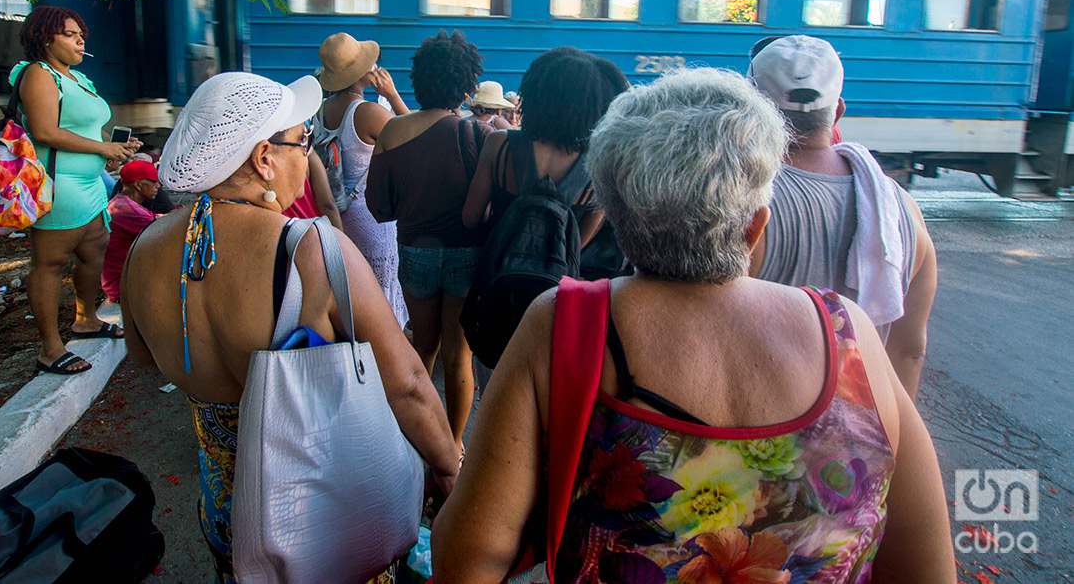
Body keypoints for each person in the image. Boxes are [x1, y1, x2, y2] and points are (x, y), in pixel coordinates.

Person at [432, 67, 955, 584]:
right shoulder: (849, 334)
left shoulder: (563, 321)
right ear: (755, 227)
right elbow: (924, 563)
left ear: (619, 216)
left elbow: (468, 559)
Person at [119, 72, 459, 584]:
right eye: (303, 141)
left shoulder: (143, 248)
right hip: (322, 516)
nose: (309, 154)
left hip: (230, 515)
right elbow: (408, 385)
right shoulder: (312, 250)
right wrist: (448, 465)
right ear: (263, 158)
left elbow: (144, 355)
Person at [747, 35, 937, 399]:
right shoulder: (901, 208)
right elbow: (908, 351)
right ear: (838, 111)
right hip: (855, 442)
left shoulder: (741, 201)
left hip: (761, 433)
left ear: (753, 107)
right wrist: (889, 441)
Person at [367, 30, 492, 453]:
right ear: (466, 83)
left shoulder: (392, 131)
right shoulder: (477, 134)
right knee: (460, 357)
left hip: (415, 253)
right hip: (467, 256)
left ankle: (418, 444)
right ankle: (454, 448)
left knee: (423, 349)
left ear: (418, 78)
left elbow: (379, 209)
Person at [12, 6, 140, 375]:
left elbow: (87, 130)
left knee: (93, 250)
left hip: (89, 184)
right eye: (70, 34)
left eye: (81, 34)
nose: (80, 40)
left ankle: (86, 319)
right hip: (59, 183)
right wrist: (102, 149)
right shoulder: (39, 74)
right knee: (50, 264)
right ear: (45, 37)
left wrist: (113, 149)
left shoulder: (81, 79)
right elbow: (45, 131)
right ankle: (50, 349)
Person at [462, 46, 628, 248]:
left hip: (495, 272)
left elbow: (470, 219)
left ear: (535, 95)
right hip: (560, 278)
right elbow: (577, 246)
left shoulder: (499, 144)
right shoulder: (598, 165)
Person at [317, 32, 411, 328]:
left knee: (350, 296)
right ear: (364, 72)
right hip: (371, 221)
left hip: (334, 219)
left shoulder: (320, 112)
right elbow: (415, 139)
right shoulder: (368, 112)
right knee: (381, 304)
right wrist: (393, 95)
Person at [100, 159, 162, 303]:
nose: (158, 186)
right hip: (123, 287)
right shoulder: (129, 210)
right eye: (153, 182)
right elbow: (166, 232)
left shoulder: (122, 201)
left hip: (124, 279)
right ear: (138, 184)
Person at [282, 148, 344, 230]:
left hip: (288, 235)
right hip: (319, 231)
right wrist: (339, 239)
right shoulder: (306, 151)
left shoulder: (264, 172)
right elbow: (328, 204)